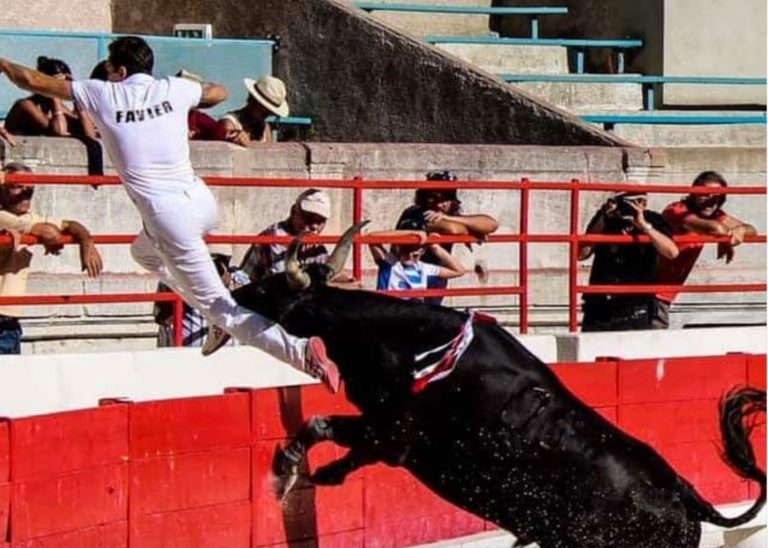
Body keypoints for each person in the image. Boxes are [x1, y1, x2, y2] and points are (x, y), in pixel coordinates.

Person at [0, 36, 341, 392]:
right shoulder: (173, 88)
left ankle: (300, 352)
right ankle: (214, 317)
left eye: (111, 69)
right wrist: (192, 89)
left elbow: (32, 80)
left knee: (221, 307)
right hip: (200, 201)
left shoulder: (104, 92)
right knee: (141, 252)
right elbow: (220, 92)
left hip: (168, 217)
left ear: (118, 71)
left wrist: (4, 63)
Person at [202, 188, 350, 356]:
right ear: (294, 212)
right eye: (309, 218)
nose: (314, 226)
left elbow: (321, 278)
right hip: (261, 312)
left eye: (320, 221)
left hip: (288, 313)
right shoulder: (275, 238)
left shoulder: (317, 247)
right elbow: (286, 285)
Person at [0, 161, 102, 353]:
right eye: (18, 186)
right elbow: (52, 233)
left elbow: (70, 224)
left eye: (30, 187)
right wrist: (45, 237)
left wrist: (86, 240)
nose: (26, 191)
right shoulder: (4, 217)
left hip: (10, 321)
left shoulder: (26, 218)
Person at [655, 171, 757, 323]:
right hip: (646, 291)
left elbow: (752, 230)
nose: (711, 200)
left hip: (663, 294)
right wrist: (724, 238)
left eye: (717, 196)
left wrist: (740, 230)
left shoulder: (715, 215)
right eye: (705, 194)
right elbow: (715, 229)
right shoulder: (677, 210)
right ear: (693, 194)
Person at [578, 191, 679, 332]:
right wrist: (603, 217)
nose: (626, 207)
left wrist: (644, 226)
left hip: (636, 305)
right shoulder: (606, 219)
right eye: (622, 202)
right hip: (600, 304)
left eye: (631, 202)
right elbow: (582, 254)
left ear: (643, 203)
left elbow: (671, 252)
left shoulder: (654, 220)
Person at [395, 170, 498, 304]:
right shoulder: (417, 212)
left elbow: (492, 224)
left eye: (446, 197)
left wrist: (450, 218)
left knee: (432, 318)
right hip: (408, 273)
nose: (440, 203)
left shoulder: (449, 216)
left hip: (435, 273)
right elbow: (452, 229)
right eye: (434, 196)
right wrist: (471, 231)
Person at [154, 251, 247, 347]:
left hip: (231, 351)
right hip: (186, 351)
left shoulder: (237, 278)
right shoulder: (172, 276)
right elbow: (163, 319)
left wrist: (229, 288)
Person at [5, 56, 97, 141]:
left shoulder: (58, 107)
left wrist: (77, 93)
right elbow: (59, 132)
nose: (63, 89)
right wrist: (54, 94)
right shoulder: (26, 105)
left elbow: (89, 134)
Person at [368, 225, 465, 299]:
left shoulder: (424, 268)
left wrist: (435, 247)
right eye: (406, 252)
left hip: (414, 312)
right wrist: (412, 233)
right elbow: (371, 237)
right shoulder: (391, 262)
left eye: (415, 255)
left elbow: (459, 271)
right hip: (391, 310)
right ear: (399, 248)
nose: (410, 257)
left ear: (422, 252)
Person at [218, 75, 289, 145]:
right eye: (263, 108)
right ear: (252, 100)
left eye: (270, 111)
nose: (267, 113)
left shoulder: (265, 128)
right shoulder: (229, 124)